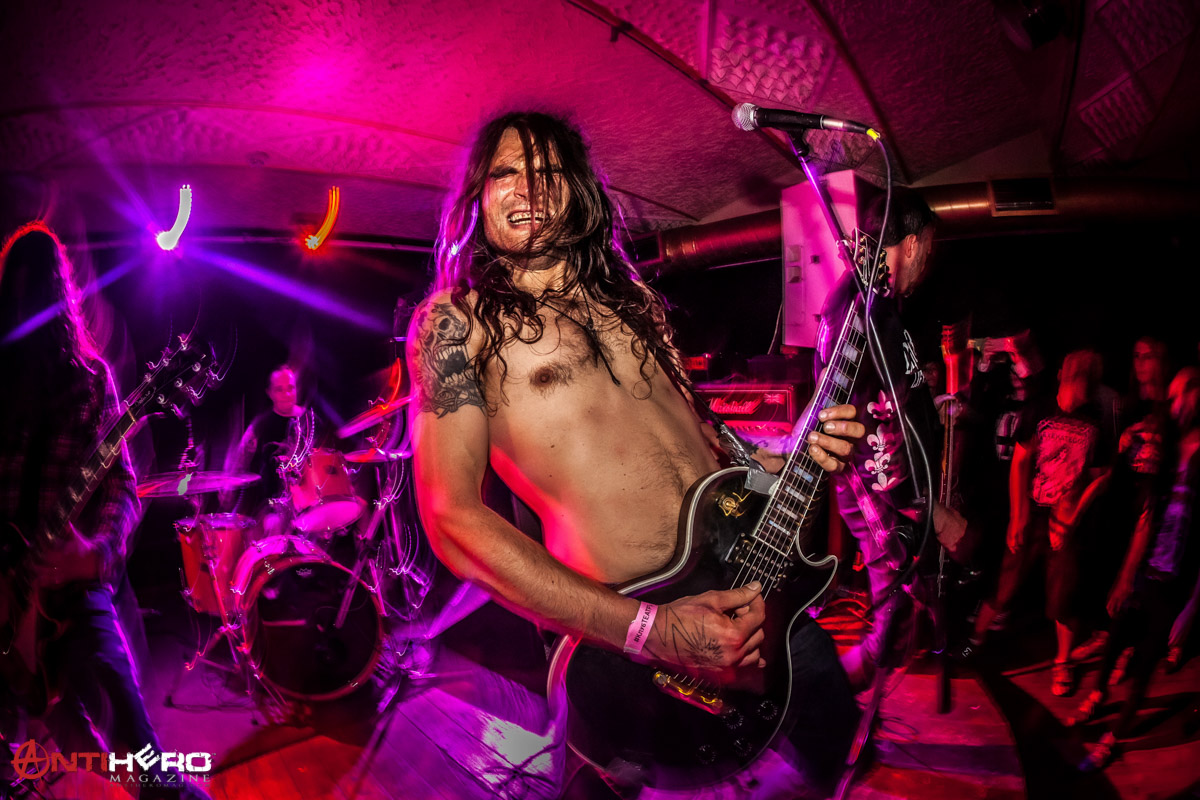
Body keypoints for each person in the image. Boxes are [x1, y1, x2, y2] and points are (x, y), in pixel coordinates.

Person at [406, 111, 865, 795]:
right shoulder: (457, 322)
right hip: (627, 653)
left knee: (836, 756)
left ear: (578, 192)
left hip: (755, 598)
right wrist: (652, 631)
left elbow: (705, 444)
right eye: (506, 172)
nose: (528, 187)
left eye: (549, 172)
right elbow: (451, 518)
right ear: (478, 194)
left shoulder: (637, 303)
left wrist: (787, 456)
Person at [0, 223, 207, 798]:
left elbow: (121, 484)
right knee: (51, 737)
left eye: (34, 290)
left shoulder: (91, 381)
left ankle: (160, 788)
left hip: (71, 585)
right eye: (16, 291)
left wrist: (95, 553)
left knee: (127, 718)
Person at [813, 187, 967, 691]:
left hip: (888, 490)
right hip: (881, 491)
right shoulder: (864, 309)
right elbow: (863, 427)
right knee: (894, 610)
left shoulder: (870, 301)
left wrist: (925, 399)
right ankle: (823, 697)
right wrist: (927, 510)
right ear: (915, 242)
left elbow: (881, 395)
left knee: (899, 612)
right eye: (930, 247)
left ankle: (843, 694)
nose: (928, 261)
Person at [1071, 366, 1200, 771]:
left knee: (1144, 663)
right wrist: (1125, 576)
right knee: (1115, 639)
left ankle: (1113, 738)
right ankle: (1096, 697)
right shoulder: (1171, 448)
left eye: (1181, 396)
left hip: (1176, 581)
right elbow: (1147, 515)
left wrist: (1192, 607)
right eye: (1171, 397)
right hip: (1147, 568)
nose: (1174, 406)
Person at [974, 350, 1113, 696]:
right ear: (1063, 377)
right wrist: (1017, 516)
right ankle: (972, 641)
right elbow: (1020, 461)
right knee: (1004, 585)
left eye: (1084, 384)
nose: (1076, 392)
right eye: (1074, 381)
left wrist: (1073, 517)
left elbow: (1101, 476)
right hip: (1034, 509)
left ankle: (1062, 663)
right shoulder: (1040, 408)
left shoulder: (1095, 420)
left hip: (1066, 520)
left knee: (1062, 598)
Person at [222, 364, 318, 536]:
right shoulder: (260, 425)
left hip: (310, 501)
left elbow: (326, 459)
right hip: (274, 506)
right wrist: (228, 485)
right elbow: (241, 458)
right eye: (279, 390)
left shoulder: (311, 420)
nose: (287, 394)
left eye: (290, 388)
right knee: (273, 529)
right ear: (270, 393)